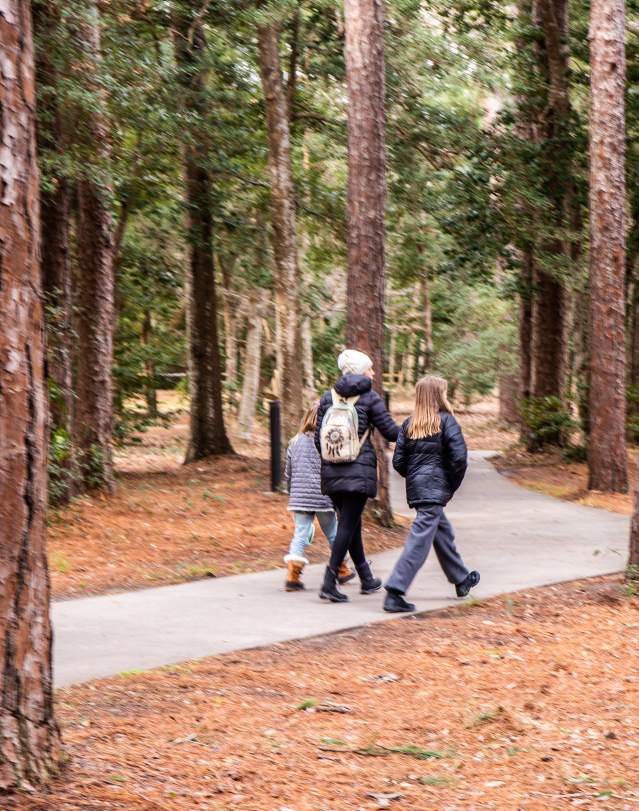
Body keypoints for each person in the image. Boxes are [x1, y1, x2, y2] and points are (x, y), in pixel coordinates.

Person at [383, 375, 480, 613]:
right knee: (419, 540)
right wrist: (447, 485)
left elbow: (398, 462)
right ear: (439, 395)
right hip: (434, 489)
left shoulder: (408, 424)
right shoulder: (447, 422)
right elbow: (459, 460)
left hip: (421, 489)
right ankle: (395, 591)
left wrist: (417, 478)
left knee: (441, 532)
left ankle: (461, 579)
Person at [315, 349, 400, 603]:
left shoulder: (327, 397)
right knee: (348, 525)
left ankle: (366, 577)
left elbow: (319, 437)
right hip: (358, 469)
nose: (373, 372)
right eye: (369, 368)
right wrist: (412, 428)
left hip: (331, 469)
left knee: (351, 523)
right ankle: (329, 581)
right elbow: (391, 432)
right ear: (360, 371)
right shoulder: (369, 398)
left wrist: (332, 458)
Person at [284, 402, 355, 591]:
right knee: (333, 533)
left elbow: (288, 473)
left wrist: (292, 493)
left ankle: (292, 577)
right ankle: (342, 569)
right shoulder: (328, 441)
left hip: (299, 498)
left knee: (300, 534)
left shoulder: (294, 442)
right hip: (323, 497)